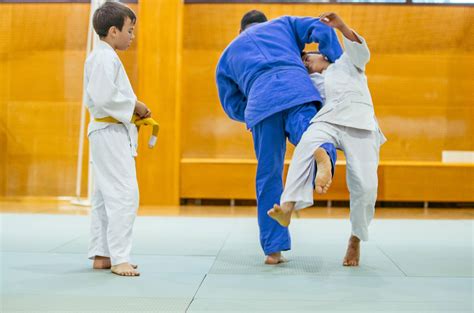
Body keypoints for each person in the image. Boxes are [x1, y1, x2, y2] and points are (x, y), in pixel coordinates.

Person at [216, 10, 342, 264]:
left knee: (268, 174)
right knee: (313, 134)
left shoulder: (228, 54)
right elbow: (324, 28)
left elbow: (230, 104)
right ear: (265, 23)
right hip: (296, 87)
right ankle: (321, 154)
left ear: (240, 31)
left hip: (261, 102)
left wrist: (251, 110)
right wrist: (337, 64)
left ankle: (274, 250)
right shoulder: (283, 24)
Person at [268, 12, 387, 266]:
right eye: (302, 61)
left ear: (322, 55)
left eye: (307, 56)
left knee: (366, 188)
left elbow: (362, 52)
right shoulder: (308, 80)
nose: (305, 62)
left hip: (360, 123)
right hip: (329, 119)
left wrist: (340, 26)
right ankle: (288, 207)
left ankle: (355, 238)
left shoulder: (347, 63)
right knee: (307, 143)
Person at [84, 1, 151, 276]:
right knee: (124, 194)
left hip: (107, 131)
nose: (132, 36)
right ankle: (119, 258)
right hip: (108, 134)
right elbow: (103, 97)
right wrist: (135, 106)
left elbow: (106, 97)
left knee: (103, 195)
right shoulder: (103, 57)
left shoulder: (104, 56)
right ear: (113, 31)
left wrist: (132, 109)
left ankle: (103, 254)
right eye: (130, 30)